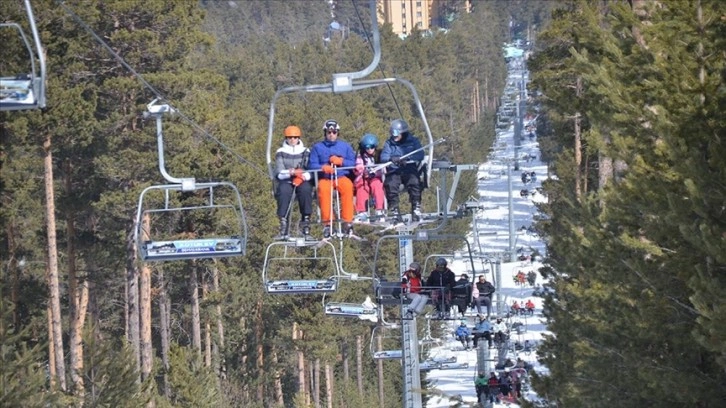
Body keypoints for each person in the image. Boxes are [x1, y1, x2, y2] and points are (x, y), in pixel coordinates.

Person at [308, 120, 357, 238]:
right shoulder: (317, 147)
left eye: (334, 132)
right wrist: (322, 167)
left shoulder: (345, 146)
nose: (331, 134)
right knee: (324, 191)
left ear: (337, 133)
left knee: (348, 187)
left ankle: (347, 221)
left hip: (341, 176)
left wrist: (341, 162)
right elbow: (311, 164)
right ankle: (328, 224)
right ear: (325, 133)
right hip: (326, 178)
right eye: (329, 132)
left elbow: (353, 163)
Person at [379, 119, 424, 223]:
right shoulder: (389, 143)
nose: (394, 136)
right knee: (390, 184)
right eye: (392, 133)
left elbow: (420, 154)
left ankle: (416, 207)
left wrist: (408, 158)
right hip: (395, 170)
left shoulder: (413, 141)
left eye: (396, 134)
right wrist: (392, 159)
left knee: (415, 182)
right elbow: (384, 156)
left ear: (403, 133)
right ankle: (395, 210)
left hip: (409, 168)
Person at [273, 125, 313, 240]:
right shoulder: (281, 152)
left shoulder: (305, 151)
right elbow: (279, 172)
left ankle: (305, 222)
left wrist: (302, 176)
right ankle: (283, 224)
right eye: (290, 137)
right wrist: (291, 173)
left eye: (295, 137)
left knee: (306, 190)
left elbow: (310, 170)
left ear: (298, 138)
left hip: (302, 180)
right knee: (283, 191)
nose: (292, 140)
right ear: (286, 138)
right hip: (286, 179)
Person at [353, 133, 385, 223]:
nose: (369, 149)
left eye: (371, 147)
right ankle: (362, 211)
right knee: (362, 187)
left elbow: (383, 167)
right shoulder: (361, 156)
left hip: (376, 177)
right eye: (367, 147)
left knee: (377, 185)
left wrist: (374, 173)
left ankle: (379, 210)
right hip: (364, 178)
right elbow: (358, 166)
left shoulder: (379, 155)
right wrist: (360, 171)